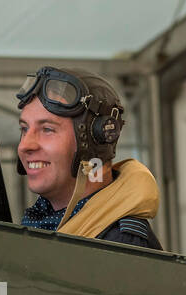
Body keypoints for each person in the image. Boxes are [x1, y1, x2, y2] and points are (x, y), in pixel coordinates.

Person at [16, 66, 163, 250]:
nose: (25, 146)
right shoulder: (41, 222)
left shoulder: (121, 246)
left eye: (47, 129)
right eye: (24, 129)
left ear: (94, 142)